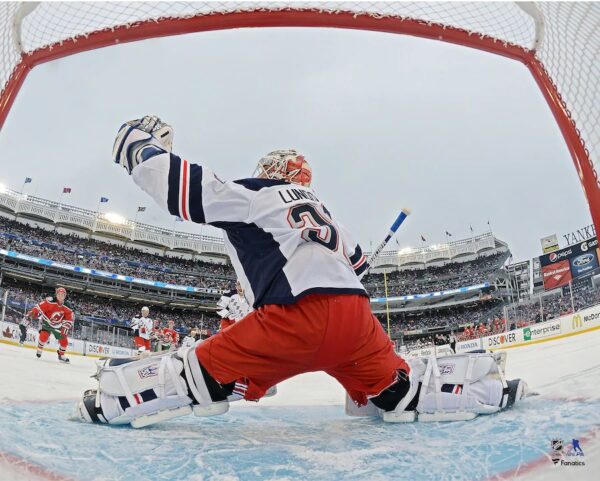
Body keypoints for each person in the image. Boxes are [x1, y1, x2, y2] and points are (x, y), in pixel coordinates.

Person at [75, 116, 526, 427]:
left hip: (291, 322)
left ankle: (112, 401)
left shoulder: (257, 194)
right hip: (356, 323)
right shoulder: (326, 211)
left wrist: (138, 144)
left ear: (270, 172)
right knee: (396, 394)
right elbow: (359, 264)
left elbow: (183, 192)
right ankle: (487, 389)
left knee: (202, 374)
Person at [26, 286, 74, 363]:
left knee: (64, 341)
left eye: (62, 295)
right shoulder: (50, 301)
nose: (60, 296)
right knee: (43, 336)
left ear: (65, 296)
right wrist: (32, 312)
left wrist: (66, 326)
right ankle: (39, 349)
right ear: (56, 294)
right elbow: (39, 307)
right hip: (47, 322)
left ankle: (61, 355)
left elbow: (69, 318)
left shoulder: (68, 306)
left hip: (58, 325)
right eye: (59, 294)